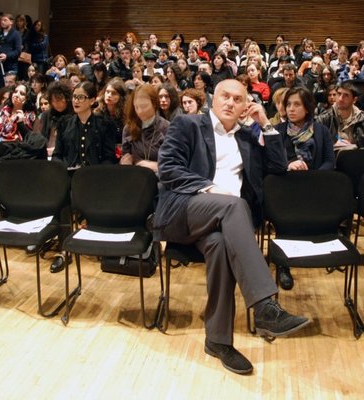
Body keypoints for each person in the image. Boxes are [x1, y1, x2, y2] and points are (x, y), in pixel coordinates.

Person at [155, 79, 310, 375]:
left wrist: (264, 122)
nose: (229, 102)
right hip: (184, 211)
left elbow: (278, 166)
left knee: (219, 244)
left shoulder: (247, 138)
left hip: (224, 226)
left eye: (237, 99)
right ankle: (266, 306)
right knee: (235, 204)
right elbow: (169, 170)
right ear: (213, 100)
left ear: (244, 107)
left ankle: (217, 340)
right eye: (224, 96)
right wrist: (210, 188)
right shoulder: (188, 125)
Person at [275, 86, 335, 290]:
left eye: (296, 104)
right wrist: (287, 166)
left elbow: (329, 161)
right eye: (288, 104)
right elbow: (271, 162)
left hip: (314, 185)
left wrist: (312, 176)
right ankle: (283, 264)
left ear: (307, 107)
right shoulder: (279, 131)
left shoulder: (321, 130)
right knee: (284, 216)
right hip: (286, 185)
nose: (291, 109)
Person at [51, 81, 116, 169]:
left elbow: (109, 157)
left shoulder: (105, 125)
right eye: (74, 97)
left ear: (92, 100)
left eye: (81, 97)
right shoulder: (64, 124)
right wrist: (63, 169)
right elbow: (56, 155)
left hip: (95, 176)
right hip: (68, 176)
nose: (76, 101)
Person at [315, 82, 364, 150]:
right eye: (339, 94)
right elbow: (315, 146)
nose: (340, 99)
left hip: (357, 159)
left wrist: (354, 150)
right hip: (332, 159)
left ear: (354, 100)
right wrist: (332, 146)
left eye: (346, 95)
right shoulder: (323, 119)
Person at [120, 84, 169, 172]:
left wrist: (157, 166)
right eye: (136, 107)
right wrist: (125, 163)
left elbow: (173, 163)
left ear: (154, 104)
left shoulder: (167, 128)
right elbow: (125, 157)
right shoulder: (128, 128)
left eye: (144, 106)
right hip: (136, 176)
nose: (140, 111)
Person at [0, 82, 37, 153]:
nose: (16, 95)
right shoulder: (5, 110)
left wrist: (21, 123)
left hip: (15, 149)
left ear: (27, 98)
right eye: (15, 92)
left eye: (22, 93)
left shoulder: (30, 115)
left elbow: (29, 138)